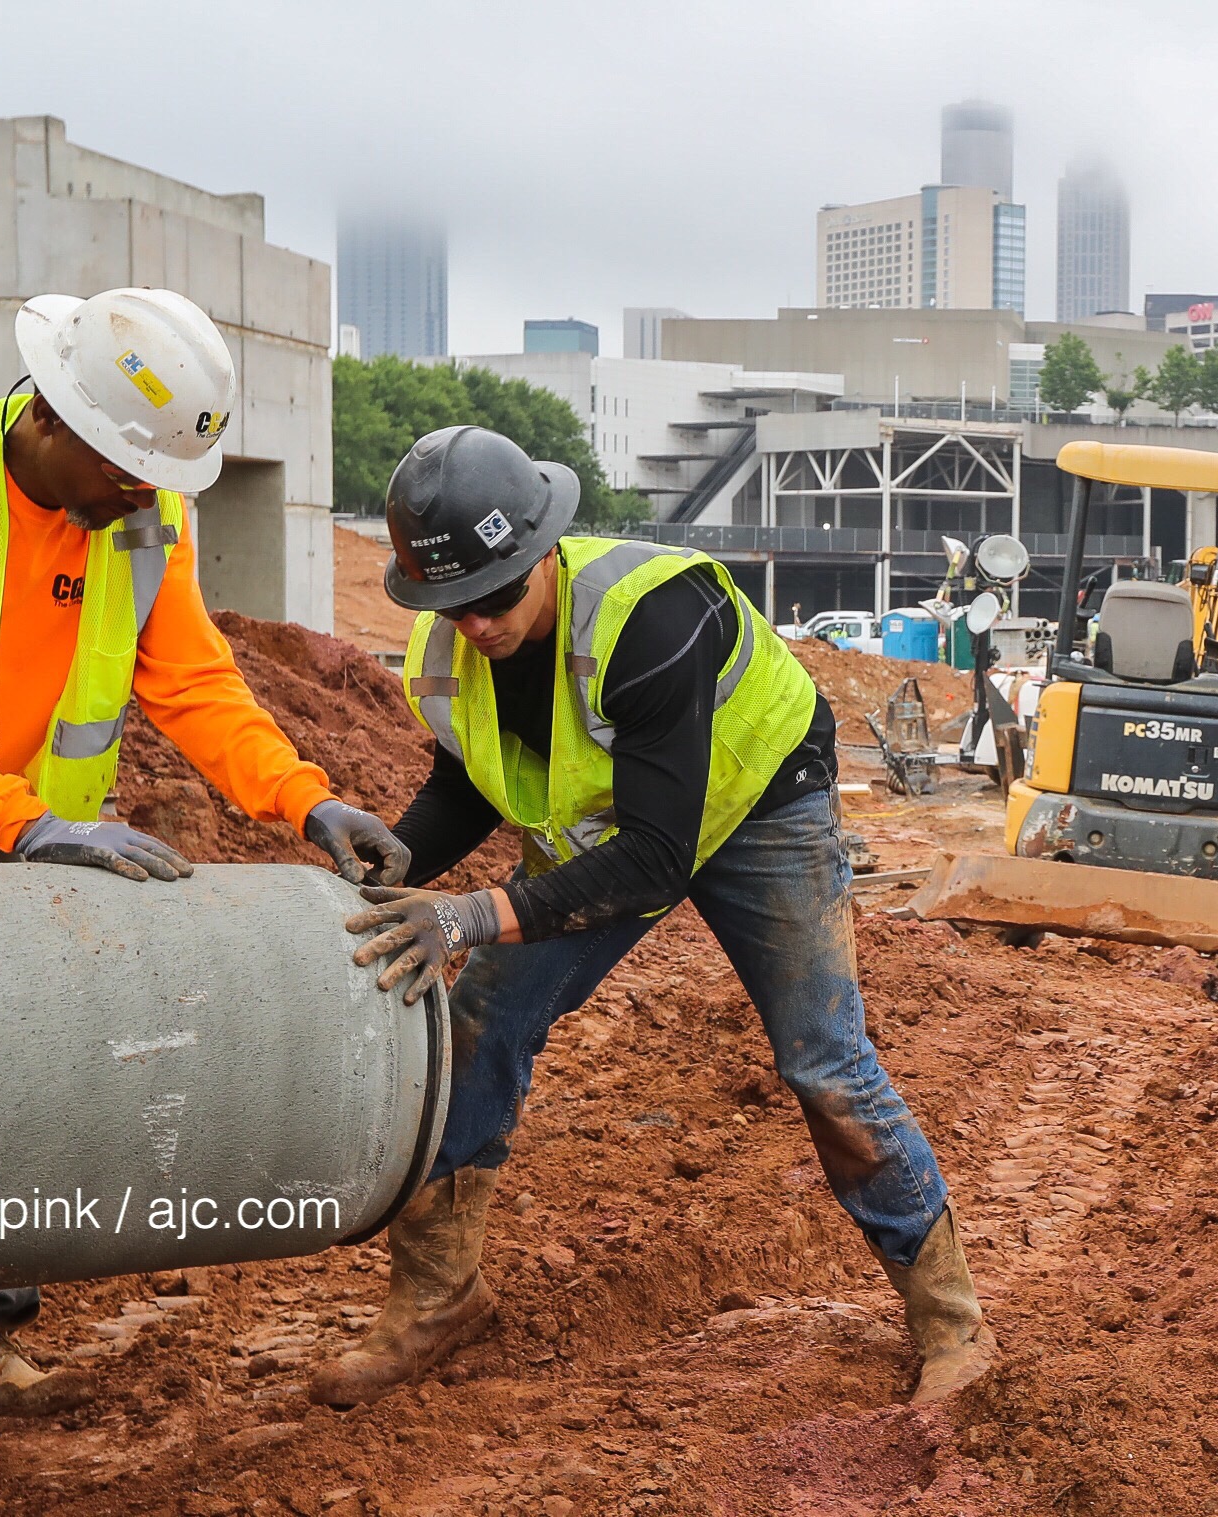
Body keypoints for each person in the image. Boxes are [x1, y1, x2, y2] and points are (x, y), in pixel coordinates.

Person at [0, 286, 409, 1420]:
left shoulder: (142, 511)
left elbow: (192, 679)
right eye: (122, 465)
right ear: (47, 416)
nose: (140, 492)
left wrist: (304, 799)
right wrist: (32, 828)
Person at [314, 425, 995, 1408]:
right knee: (481, 1021)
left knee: (823, 1057)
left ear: (545, 549)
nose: (476, 624)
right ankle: (438, 1295)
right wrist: (408, 853)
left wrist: (465, 915)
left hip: (761, 801)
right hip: (618, 824)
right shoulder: (449, 646)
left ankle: (950, 1323)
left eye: (496, 596)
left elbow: (654, 862)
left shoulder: (649, 615)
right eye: (451, 604)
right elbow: (469, 779)